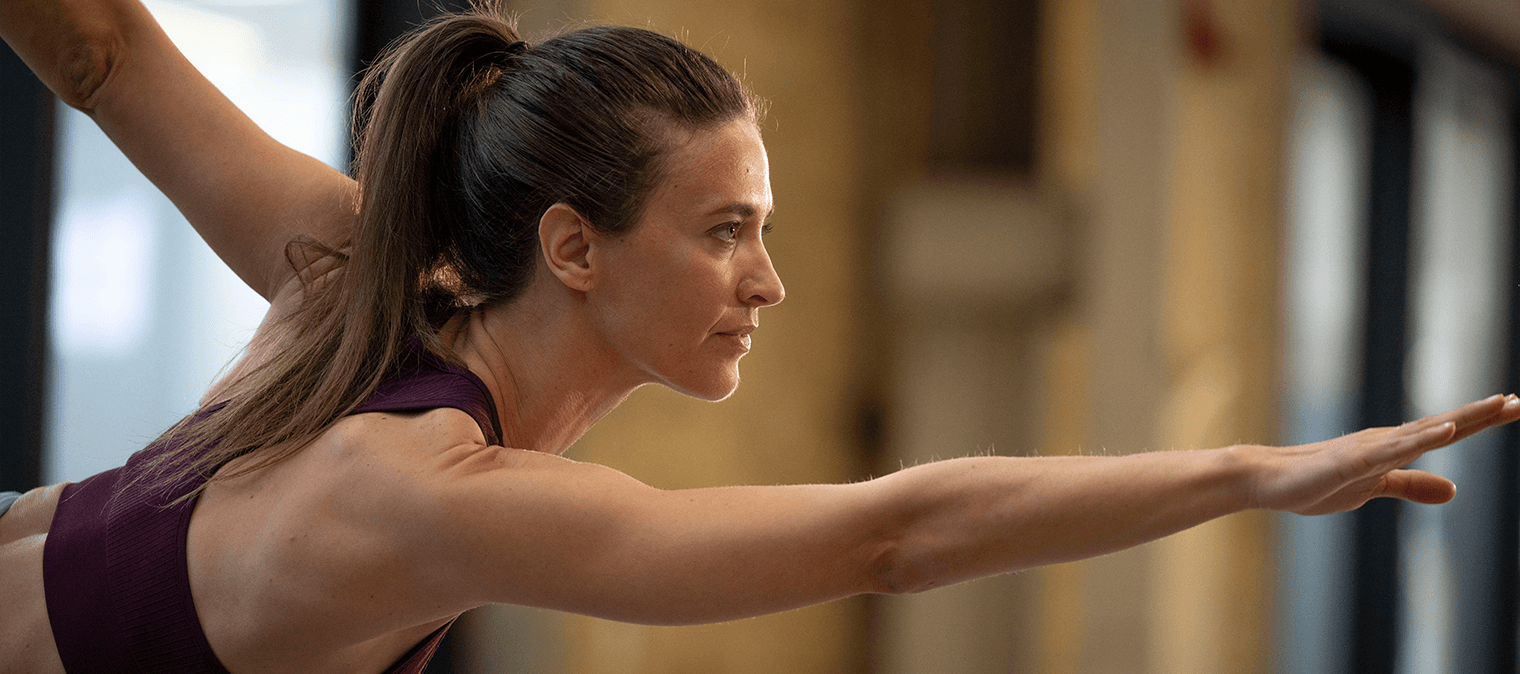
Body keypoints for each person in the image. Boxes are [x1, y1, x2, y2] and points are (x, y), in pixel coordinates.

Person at [3, 0, 1519, 671]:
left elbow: (101, 45)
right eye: (726, 229)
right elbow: (896, 536)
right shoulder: (426, 495)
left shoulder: (366, 279)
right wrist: (1254, 473)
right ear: (574, 247)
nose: (770, 281)